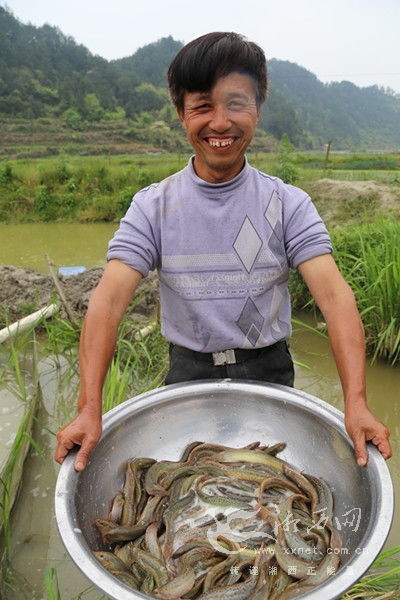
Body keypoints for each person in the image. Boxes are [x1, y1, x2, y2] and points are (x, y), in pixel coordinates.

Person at [54, 31, 391, 472]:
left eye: (236, 103)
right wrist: (88, 406)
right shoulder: (153, 207)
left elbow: (334, 298)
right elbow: (109, 301)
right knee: (189, 487)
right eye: (202, 106)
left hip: (269, 371)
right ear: (181, 114)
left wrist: (358, 401)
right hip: (187, 374)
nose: (220, 123)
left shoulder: (288, 203)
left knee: (270, 481)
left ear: (257, 110)